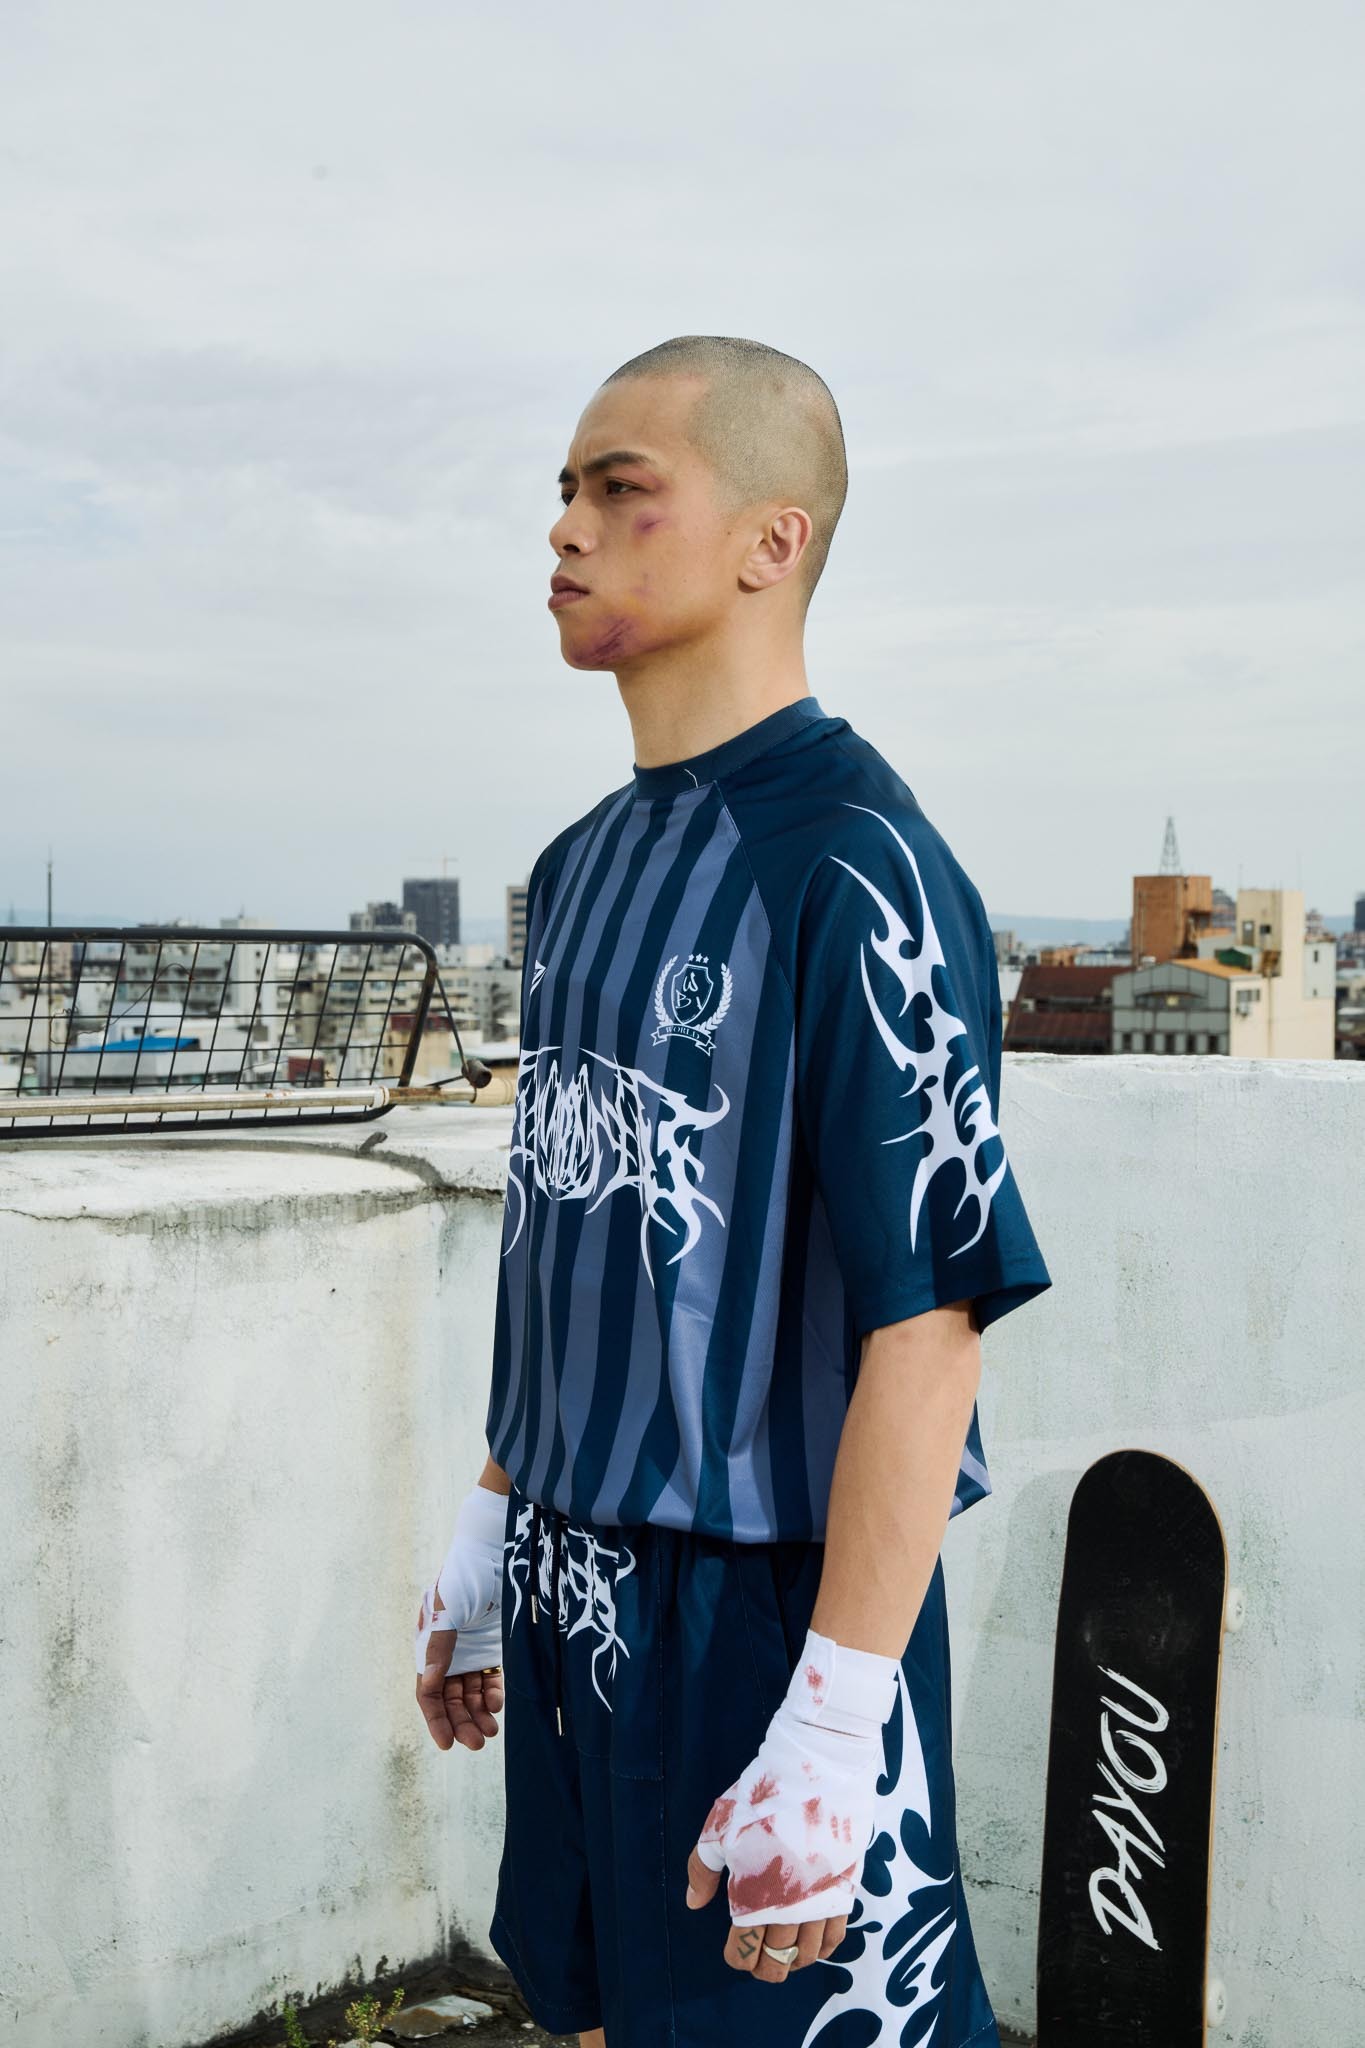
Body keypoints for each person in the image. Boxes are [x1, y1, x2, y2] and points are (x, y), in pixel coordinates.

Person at [413, 334, 1052, 2048]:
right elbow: (581, 1239)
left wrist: (835, 1719)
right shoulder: (578, 867)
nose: (564, 527)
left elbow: (929, 1322)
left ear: (773, 540)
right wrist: (488, 1527)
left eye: (620, 489)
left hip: (761, 1616)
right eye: (563, 489)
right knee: (592, 2009)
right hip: (568, 1580)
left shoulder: (857, 865)